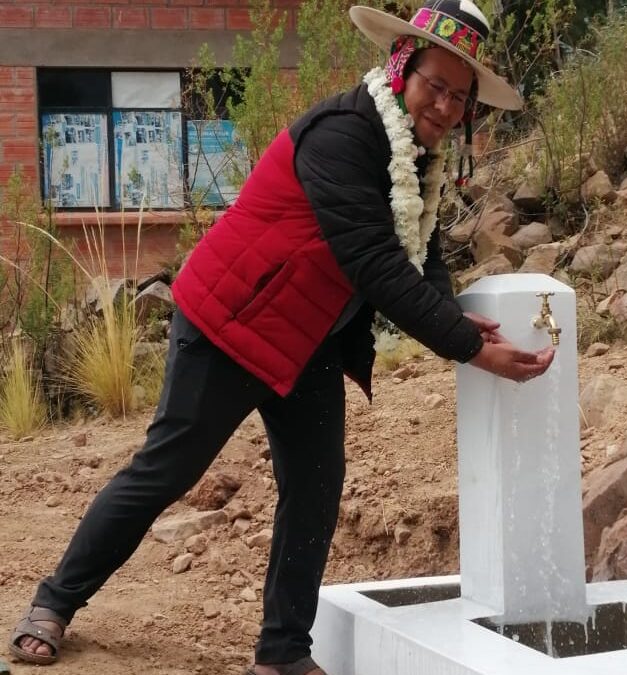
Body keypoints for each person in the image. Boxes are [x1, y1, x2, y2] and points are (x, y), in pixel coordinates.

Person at [8, 1, 554, 673]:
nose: (444, 105)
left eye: (459, 97)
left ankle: (283, 652)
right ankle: (54, 602)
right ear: (401, 68)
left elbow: (421, 250)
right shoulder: (343, 134)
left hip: (308, 339)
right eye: (435, 85)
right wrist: (467, 347)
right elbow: (375, 263)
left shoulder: (416, 157)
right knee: (166, 471)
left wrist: (449, 312)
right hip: (229, 324)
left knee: (317, 485)